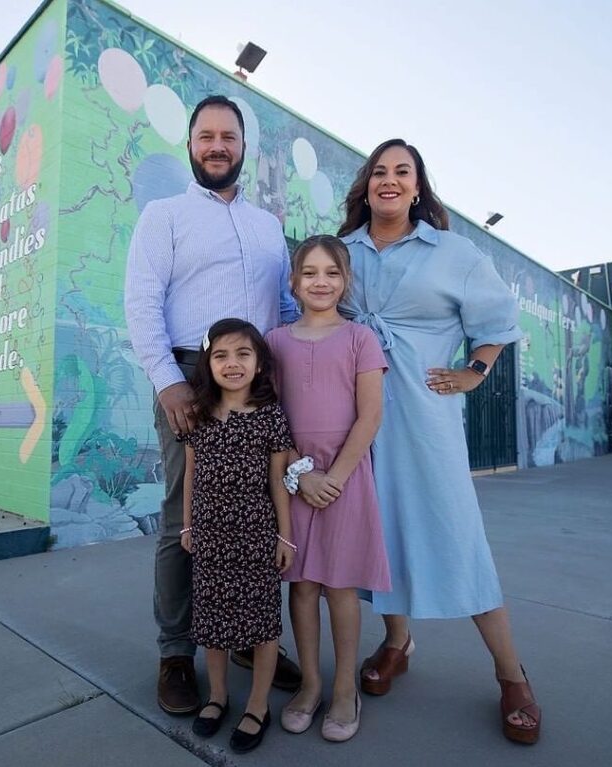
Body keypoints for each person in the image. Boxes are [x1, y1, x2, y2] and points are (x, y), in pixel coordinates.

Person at [337, 138, 542, 745]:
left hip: (425, 422)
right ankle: (397, 643)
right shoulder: (342, 251)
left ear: (419, 186)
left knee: (457, 536)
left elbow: (496, 324)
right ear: (366, 185)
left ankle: (511, 675)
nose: (390, 180)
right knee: (379, 533)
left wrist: (474, 373)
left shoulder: (455, 252)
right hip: (355, 421)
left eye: (403, 171)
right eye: (380, 171)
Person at [124, 95, 301, 716]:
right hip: (190, 374)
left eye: (228, 135)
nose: (217, 145)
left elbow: (283, 309)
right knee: (186, 515)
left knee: (254, 513)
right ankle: (176, 652)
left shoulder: (268, 227)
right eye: (206, 135)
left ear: (243, 147)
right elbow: (141, 301)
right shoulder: (164, 216)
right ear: (191, 144)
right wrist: (169, 381)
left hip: (257, 379)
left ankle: (249, 640)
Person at [265, 235, 391, 743]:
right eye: (310, 272)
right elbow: (270, 419)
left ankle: (344, 688)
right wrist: (301, 474)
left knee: (339, 585)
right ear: (293, 282)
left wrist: (334, 478)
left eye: (332, 273)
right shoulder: (274, 341)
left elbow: (372, 414)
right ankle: (310, 685)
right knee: (302, 584)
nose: (321, 282)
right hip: (294, 477)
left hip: (346, 477)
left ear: (346, 281)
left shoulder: (360, 338)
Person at [180, 318, 296, 753]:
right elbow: (191, 475)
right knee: (212, 622)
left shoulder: (270, 417)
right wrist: (189, 525)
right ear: (208, 364)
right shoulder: (197, 416)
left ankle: (258, 705)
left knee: (262, 623)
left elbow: (279, 482)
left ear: (260, 364)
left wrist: (285, 538)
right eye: (221, 355)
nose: (232, 364)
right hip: (209, 536)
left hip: (256, 536)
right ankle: (218, 696)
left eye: (243, 354)